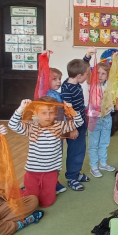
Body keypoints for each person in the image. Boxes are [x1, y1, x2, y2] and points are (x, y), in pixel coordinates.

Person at [9, 97, 83, 207]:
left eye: (51, 113)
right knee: (31, 201)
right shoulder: (32, 127)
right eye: (43, 113)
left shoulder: (59, 126)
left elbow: (79, 122)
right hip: (33, 172)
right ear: (36, 114)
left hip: (51, 171)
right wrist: (21, 109)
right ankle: (16, 192)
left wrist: (71, 110)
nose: (48, 117)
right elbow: (12, 125)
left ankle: (41, 191)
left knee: (47, 203)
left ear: (56, 113)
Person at [61, 52, 92, 191]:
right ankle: (71, 178)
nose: (87, 77)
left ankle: (76, 173)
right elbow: (67, 112)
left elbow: (81, 66)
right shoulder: (67, 89)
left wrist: (87, 56)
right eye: (86, 75)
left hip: (80, 121)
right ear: (79, 76)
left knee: (80, 149)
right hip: (73, 124)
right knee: (75, 151)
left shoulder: (73, 80)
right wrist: (72, 128)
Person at [88, 62, 116, 178]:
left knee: (104, 143)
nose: (100, 75)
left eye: (103, 74)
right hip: (94, 119)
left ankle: (103, 163)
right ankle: (94, 166)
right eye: (98, 73)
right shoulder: (91, 85)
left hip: (107, 118)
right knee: (94, 144)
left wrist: (115, 60)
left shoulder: (108, 86)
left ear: (107, 76)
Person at [42, 65, 67, 194]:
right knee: (50, 157)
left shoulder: (57, 94)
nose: (58, 82)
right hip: (50, 134)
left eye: (59, 79)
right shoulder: (46, 96)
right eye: (54, 79)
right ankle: (48, 182)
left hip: (58, 131)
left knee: (57, 156)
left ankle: (54, 180)